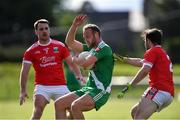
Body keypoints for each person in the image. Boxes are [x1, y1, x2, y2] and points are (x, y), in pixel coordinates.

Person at [19, 19, 84, 120]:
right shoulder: (30, 51)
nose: (44, 31)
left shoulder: (60, 46)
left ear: (49, 30)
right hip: (42, 87)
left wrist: (79, 75)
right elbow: (24, 72)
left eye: (46, 28)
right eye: (41, 29)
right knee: (38, 111)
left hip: (61, 86)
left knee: (72, 109)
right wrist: (23, 90)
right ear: (36, 32)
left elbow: (71, 63)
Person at [55, 14, 114, 119]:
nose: (85, 39)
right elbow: (69, 42)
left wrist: (75, 60)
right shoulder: (90, 48)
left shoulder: (104, 48)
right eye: (84, 37)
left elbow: (86, 63)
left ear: (96, 34)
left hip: (100, 90)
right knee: (59, 104)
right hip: (88, 88)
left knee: (75, 106)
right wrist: (74, 26)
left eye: (87, 36)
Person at [116, 28, 174, 119]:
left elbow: (145, 70)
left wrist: (130, 85)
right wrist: (124, 59)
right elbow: (141, 62)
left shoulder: (152, 51)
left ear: (148, 41)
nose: (144, 43)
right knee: (134, 112)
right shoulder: (161, 52)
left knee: (138, 117)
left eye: (145, 40)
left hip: (158, 90)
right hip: (168, 94)